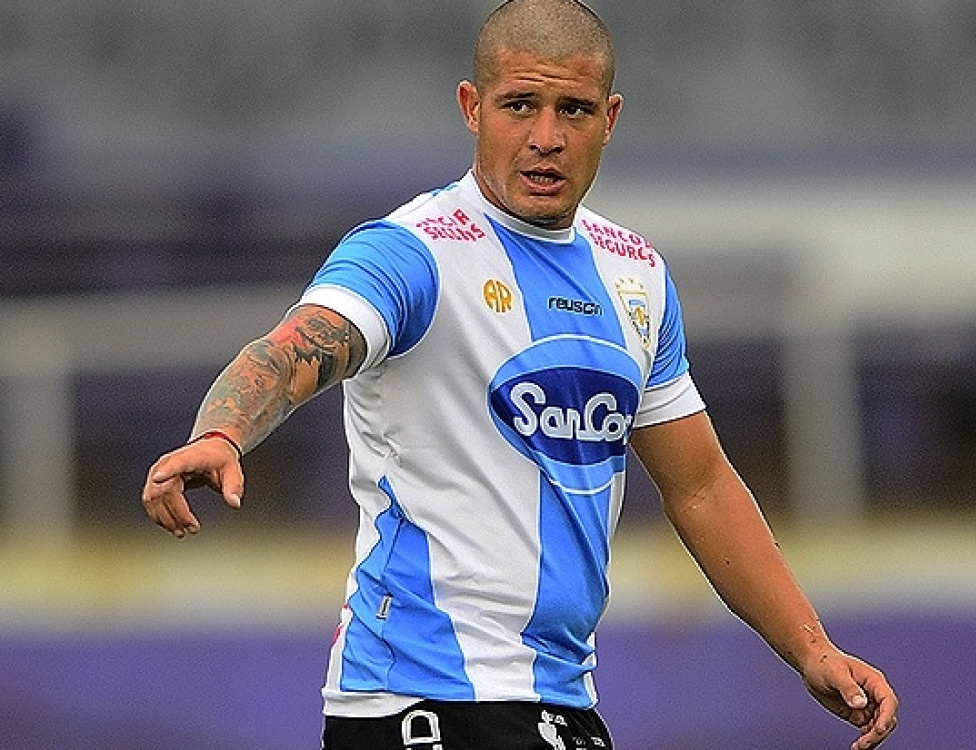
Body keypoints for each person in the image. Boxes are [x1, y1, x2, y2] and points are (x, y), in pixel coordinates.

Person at [141, 1, 899, 748]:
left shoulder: (636, 275)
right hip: (421, 700)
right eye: (519, 106)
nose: (546, 138)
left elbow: (700, 485)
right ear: (472, 108)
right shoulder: (412, 252)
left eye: (574, 110)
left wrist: (811, 647)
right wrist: (222, 433)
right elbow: (293, 350)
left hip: (558, 700)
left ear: (610, 119)